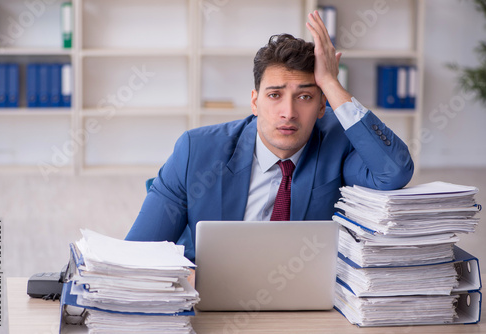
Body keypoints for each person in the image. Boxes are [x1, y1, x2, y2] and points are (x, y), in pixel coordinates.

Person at [126, 11, 414, 261]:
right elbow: (139, 253)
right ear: (254, 102)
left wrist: (329, 81)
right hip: (213, 295)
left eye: (304, 96)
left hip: (303, 302)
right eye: (275, 95)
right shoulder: (196, 150)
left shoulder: (338, 144)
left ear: (322, 105)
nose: (288, 112)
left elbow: (394, 173)